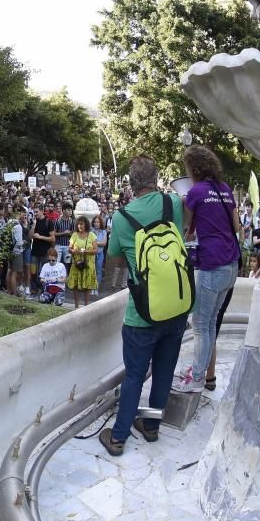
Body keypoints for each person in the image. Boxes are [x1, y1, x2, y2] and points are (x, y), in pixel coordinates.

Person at [100, 155, 187, 457]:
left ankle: (118, 437)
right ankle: (150, 427)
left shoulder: (122, 217)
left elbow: (115, 259)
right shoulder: (172, 203)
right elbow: (181, 236)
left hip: (142, 312)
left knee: (135, 373)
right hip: (176, 304)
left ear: (131, 184)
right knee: (164, 370)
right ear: (156, 178)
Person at [174, 145, 240, 393]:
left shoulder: (196, 191)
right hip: (231, 265)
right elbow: (235, 225)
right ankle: (199, 372)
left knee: (200, 324)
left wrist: (184, 202)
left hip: (212, 264)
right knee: (210, 322)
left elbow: (185, 224)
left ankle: (197, 378)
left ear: (194, 168)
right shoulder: (225, 190)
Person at [66, 217, 98, 309]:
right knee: (75, 284)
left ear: (86, 225)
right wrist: (74, 251)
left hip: (88, 264)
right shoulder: (74, 235)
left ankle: (86, 305)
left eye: (82, 224)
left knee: (88, 284)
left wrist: (85, 252)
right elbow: (69, 249)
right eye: (78, 224)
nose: (80, 226)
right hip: (77, 263)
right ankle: (76, 305)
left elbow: (96, 250)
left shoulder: (91, 235)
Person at [91, 215, 108, 295]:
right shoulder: (91, 231)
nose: (96, 223)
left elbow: (104, 243)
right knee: (92, 271)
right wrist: (98, 243)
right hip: (91, 254)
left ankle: (96, 288)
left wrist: (95, 242)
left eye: (98, 222)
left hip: (100, 254)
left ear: (101, 223)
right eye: (95, 222)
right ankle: (91, 287)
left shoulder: (104, 232)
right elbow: (89, 243)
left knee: (98, 271)